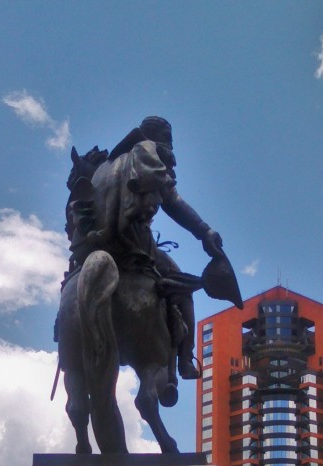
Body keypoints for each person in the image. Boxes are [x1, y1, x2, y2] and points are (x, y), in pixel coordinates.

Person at [63, 117, 241, 382]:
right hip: (135, 247)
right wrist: (204, 231)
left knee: (72, 285)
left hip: (90, 248)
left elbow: (76, 216)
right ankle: (184, 358)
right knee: (182, 290)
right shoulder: (148, 157)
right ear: (164, 139)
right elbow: (172, 202)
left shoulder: (105, 168)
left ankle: (63, 333)